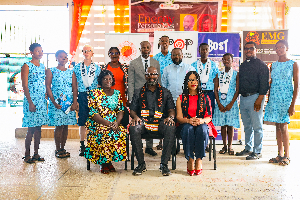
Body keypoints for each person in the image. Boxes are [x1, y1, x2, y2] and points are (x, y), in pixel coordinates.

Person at [129, 66, 176, 176]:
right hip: (143, 122)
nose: (151, 77)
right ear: (145, 76)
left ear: (157, 76)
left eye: (154, 74)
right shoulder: (138, 92)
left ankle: (164, 165)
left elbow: (171, 110)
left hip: (160, 122)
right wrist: (135, 117)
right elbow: (132, 111)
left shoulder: (165, 92)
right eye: (149, 74)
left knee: (170, 127)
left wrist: (170, 117)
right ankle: (141, 164)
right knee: (134, 128)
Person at [84, 70, 127, 174]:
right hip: (99, 123)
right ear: (101, 80)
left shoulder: (117, 93)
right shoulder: (94, 93)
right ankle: (104, 163)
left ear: (112, 81)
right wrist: (108, 124)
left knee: (120, 132)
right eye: (105, 79)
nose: (108, 81)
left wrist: (116, 122)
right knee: (104, 132)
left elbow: (121, 110)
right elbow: (93, 113)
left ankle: (109, 161)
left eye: (110, 79)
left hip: (114, 122)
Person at [264, 40, 299, 166]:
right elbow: (271, 83)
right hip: (274, 99)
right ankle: (279, 154)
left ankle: (287, 156)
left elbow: (296, 86)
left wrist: (292, 104)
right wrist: (269, 100)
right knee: (277, 127)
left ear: (287, 48)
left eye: (281, 47)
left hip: (286, 99)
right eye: (277, 48)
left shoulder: (293, 64)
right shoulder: (273, 65)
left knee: (284, 126)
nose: (279, 49)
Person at [176, 71, 216, 176]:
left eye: (195, 79)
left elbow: (209, 117)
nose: (193, 82)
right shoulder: (181, 98)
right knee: (188, 129)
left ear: (198, 81)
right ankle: (190, 159)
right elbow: (179, 117)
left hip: (201, 122)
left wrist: (201, 120)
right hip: (186, 123)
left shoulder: (205, 97)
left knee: (202, 129)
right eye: (190, 80)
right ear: (186, 83)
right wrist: (189, 120)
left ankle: (199, 159)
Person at [236, 41, 269, 160]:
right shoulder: (243, 65)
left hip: (256, 98)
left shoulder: (261, 65)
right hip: (243, 99)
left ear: (255, 50)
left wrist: (259, 99)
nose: (248, 50)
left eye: (251, 48)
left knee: (257, 126)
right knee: (247, 126)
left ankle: (257, 151)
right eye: (246, 49)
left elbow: (264, 84)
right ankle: (248, 148)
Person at [128, 41, 161, 156]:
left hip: (152, 96)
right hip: (138, 97)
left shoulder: (155, 63)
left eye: (147, 47)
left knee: (151, 118)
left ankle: (149, 147)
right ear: (140, 49)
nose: (145, 49)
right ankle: (138, 147)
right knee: (138, 120)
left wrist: (159, 96)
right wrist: (131, 98)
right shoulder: (133, 63)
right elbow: (130, 82)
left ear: (150, 49)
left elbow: (159, 80)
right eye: (143, 48)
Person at [46, 50, 77, 158]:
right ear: (56, 58)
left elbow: (74, 88)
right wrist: (53, 101)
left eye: (65, 57)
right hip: (57, 103)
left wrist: (74, 102)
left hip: (67, 103)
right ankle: (57, 149)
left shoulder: (71, 72)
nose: (63, 59)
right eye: (61, 57)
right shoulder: (51, 71)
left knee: (65, 125)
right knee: (58, 126)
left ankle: (63, 148)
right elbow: (48, 87)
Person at [71, 45, 101, 156]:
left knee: (95, 120)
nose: (87, 52)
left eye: (89, 51)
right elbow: (74, 86)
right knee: (82, 122)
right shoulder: (77, 67)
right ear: (82, 53)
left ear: (92, 53)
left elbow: (100, 84)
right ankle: (82, 145)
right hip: (82, 96)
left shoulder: (97, 68)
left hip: (94, 96)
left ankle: (93, 144)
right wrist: (75, 101)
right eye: (84, 51)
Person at [21, 43, 48, 163]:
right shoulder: (27, 66)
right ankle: (27, 154)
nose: (40, 53)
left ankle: (36, 153)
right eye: (37, 51)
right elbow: (25, 85)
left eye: (41, 51)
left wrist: (46, 93)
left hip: (41, 100)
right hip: (31, 100)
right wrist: (30, 102)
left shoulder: (43, 67)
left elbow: (45, 83)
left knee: (38, 128)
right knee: (31, 128)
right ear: (31, 52)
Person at [212, 53, 240, 155]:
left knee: (230, 125)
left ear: (232, 61)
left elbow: (237, 90)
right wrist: (218, 103)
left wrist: (231, 104)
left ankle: (230, 146)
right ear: (222, 61)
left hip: (231, 103)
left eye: (229, 59)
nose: (226, 61)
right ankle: (224, 146)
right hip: (221, 102)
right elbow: (215, 90)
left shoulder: (236, 74)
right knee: (223, 125)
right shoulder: (219, 74)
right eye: (224, 59)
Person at [101, 47, 129, 126]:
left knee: (123, 123)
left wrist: (129, 98)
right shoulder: (103, 68)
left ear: (119, 55)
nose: (114, 55)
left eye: (116, 53)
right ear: (108, 55)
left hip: (121, 100)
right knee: (109, 124)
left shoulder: (125, 68)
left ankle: (123, 138)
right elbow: (100, 83)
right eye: (112, 53)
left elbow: (128, 84)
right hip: (107, 101)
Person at [153, 35, 173, 150]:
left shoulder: (173, 56)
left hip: (171, 91)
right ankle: (160, 141)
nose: (164, 43)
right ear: (159, 43)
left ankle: (170, 141)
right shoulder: (156, 58)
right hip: (158, 91)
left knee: (170, 114)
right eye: (162, 41)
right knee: (160, 113)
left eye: (166, 41)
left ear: (169, 43)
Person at [192, 43, 219, 117]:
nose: (204, 51)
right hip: (197, 93)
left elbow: (216, 80)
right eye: (202, 49)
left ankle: (209, 128)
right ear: (199, 51)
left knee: (210, 115)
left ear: (209, 51)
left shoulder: (213, 65)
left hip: (210, 94)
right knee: (197, 114)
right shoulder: (193, 65)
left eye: (206, 49)